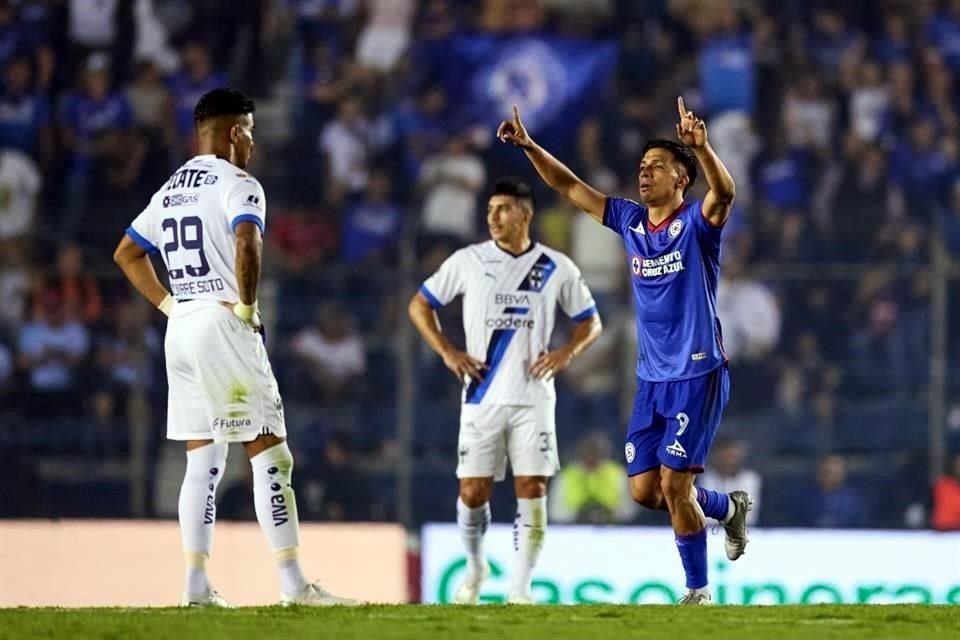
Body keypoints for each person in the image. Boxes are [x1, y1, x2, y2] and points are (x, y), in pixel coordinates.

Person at [498, 98, 751, 605]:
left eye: (657, 167)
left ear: (681, 178)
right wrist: (529, 146)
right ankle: (726, 507)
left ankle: (698, 594)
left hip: (697, 372)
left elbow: (724, 193)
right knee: (644, 492)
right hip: (651, 378)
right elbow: (569, 187)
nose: (645, 175)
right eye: (641, 168)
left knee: (675, 486)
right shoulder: (631, 222)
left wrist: (702, 149)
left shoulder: (697, 227)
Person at [112, 88, 356, 608]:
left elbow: (127, 252)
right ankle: (294, 585)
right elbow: (248, 242)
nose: (253, 143)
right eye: (250, 131)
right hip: (223, 319)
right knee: (272, 452)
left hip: (181, 328)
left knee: (202, 462)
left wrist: (168, 307)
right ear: (234, 132)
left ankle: (195, 587)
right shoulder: (240, 183)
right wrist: (247, 308)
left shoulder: (172, 187)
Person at [407, 178, 602, 604]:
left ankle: (520, 588)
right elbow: (420, 305)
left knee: (533, 488)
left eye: (504, 209)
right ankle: (476, 568)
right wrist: (448, 352)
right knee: (472, 492)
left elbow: (591, 321)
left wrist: (567, 352)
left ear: (526, 214)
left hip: (534, 396)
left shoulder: (556, 266)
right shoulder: (469, 260)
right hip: (482, 396)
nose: (493, 217)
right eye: (490, 209)